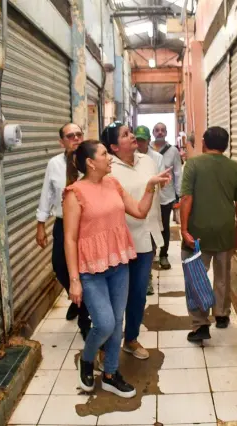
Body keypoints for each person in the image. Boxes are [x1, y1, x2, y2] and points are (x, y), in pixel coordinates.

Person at [63, 140, 170, 398]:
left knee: (117, 321)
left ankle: (111, 373)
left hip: (119, 264)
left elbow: (140, 211)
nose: (109, 157)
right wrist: (74, 280)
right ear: (90, 162)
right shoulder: (74, 193)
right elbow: (70, 239)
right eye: (103, 154)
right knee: (105, 323)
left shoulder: (113, 184)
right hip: (91, 269)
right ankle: (87, 360)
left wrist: (150, 187)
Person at [100, 122, 166, 360]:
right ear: (114, 147)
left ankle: (131, 338)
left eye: (131, 132)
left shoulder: (147, 160)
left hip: (146, 237)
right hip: (120, 242)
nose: (132, 137)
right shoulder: (108, 168)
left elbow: (152, 196)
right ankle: (105, 345)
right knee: (115, 296)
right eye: (126, 135)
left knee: (138, 293)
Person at [179, 127, 237, 342]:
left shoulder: (193, 164)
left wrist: (183, 228)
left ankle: (200, 324)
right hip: (225, 229)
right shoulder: (234, 167)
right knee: (223, 274)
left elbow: (187, 198)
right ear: (225, 145)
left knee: (196, 276)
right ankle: (221, 314)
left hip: (197, 232)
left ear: (203, 142)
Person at [35, 123, 92, 337]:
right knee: (60, 266)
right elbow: (47, 194)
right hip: (63, 222)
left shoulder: (90, 161)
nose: (76, 138)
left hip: (87, 224)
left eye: (79, 134)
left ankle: (85, 319)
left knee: (85, 271)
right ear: (62, 142)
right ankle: (77, 299)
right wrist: (40, 224)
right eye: (70, 136)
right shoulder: (55, 164)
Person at [134, 125, 164, 296]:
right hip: (134, 208)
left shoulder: (156, 158)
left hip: (152, 207)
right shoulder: (128, 159)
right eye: (137, 140)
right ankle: (140, 278)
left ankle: (148, 278)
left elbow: (161, 180)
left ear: (148, 141)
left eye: (142, 141)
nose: (139, 144)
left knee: (151, 245)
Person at [150, 122, 182, 270]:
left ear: (166, 132)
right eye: (157, 130)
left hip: (166, 195)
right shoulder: (145, 148)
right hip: (149, 195)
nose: (160, 132)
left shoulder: (173, 151)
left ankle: (164, 254)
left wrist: (178, 194)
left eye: (163, 130)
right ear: (153, 132)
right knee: (149, 226)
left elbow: (177, 173)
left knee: (164, 227)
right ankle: (151, 253)